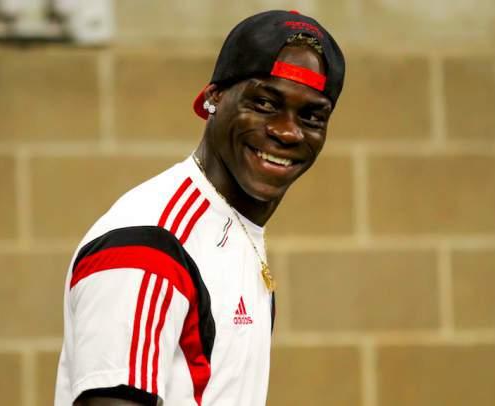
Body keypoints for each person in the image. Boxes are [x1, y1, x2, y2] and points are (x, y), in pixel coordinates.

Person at [54, 9, 345, 406]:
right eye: (264, 103)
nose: (287, 131)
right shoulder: (151, 245)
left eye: (311, 115)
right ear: (213, 97)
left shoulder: (235, 231)